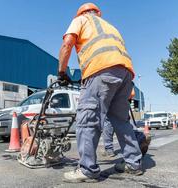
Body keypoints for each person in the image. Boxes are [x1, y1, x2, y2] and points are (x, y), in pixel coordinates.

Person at [58, 3, 143, 183]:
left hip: (100, 71)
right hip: (125, 74)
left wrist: (62, 72)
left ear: (81, 13)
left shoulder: (80, 20)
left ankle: (88, 170)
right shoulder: (111, 26)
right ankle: (133, 164)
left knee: (88, 119)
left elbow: (67, 45)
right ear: (98, 13)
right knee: (121, 121)